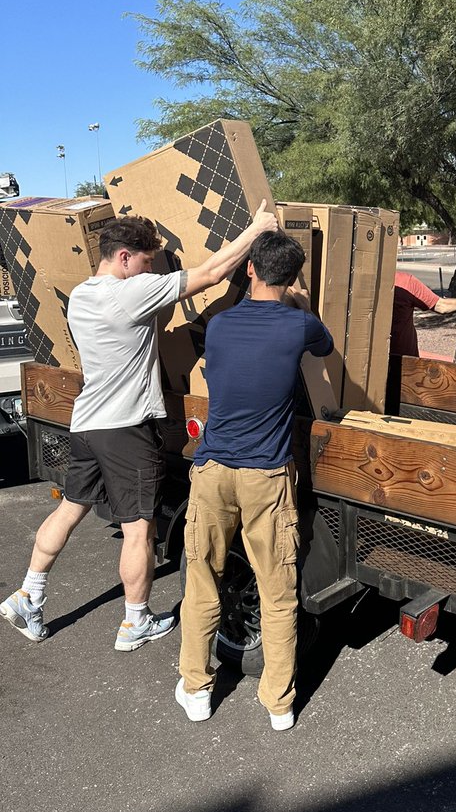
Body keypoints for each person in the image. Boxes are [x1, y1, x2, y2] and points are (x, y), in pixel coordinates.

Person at [0, 201, 278, 649]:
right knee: (139, 528)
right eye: (147, 262)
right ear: (124, 257)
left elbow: (151, 318)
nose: (152, 272)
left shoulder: (84, 295)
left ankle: (28, 595)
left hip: (87, 423)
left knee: (70, 508)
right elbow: (210, 274)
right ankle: (135, 621)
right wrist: (256, 229)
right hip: (126, 429)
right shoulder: (130, 293)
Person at [174, 230, 333, 731]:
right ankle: (279, 704)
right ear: (292, 278)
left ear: (249, 271)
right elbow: (325, 348)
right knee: (278, 590)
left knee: (202, 580)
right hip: (267, 475)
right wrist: (303, 304)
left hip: (214, 470)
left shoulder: (220, 325)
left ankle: (197, 689)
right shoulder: (299, 326)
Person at [386, 271, 456, 409]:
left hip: (379, 363)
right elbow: (442, 306)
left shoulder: (358, 283)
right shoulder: (404, 281)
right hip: (406, 365)